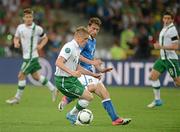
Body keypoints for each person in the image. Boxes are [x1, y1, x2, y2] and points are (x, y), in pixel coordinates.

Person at [58, 17, 131, 126]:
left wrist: (100, 69)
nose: (95, 31)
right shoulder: (83, 40)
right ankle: (69, 100)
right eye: (93, 28)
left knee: (104, 93)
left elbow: (90, 57)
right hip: (81, 72)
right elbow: (78, 56)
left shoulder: (93, 40)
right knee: (90, 90)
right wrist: (92, 63)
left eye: (97, 29)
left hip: (89, 72)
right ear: (88, 27)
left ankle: (115, 119)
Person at [6, 8, 57, 104]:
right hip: (26, 56)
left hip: (32, 57)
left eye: (30, 17)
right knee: (36, 77)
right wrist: (16, 43)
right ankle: (53, 88)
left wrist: (41, 45)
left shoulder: (37, 29)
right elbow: (16, 37)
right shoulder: (20, 27)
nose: (29, 19)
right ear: (23, 18)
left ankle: (17, 98)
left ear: (33, 18)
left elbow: (45, 38)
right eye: (27, 17)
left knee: (21, 75)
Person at [54, 26, 101, 125]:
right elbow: (58, 62)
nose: (86, 42)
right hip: (64, 81)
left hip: (71, 79)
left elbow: (78, 67)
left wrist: (93, 74)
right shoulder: (69, 47)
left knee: (88, 97)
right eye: (85, 39)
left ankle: (71, 114)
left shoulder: (77, 49)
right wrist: (72, 73)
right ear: (79, 38)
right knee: (88, 97)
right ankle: (72, 114)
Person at [147, 10, 180, 108]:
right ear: (162, 19)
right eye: (165, 18)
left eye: (168, 18)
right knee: (152, 77)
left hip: (170, 59)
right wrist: (156, 43)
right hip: (162, 58)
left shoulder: (172, 30)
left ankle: (157, 100)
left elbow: (175, 47)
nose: (166, 20)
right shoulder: (165, 28)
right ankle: (157, 100)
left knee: (178, 83)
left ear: (172, 20)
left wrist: (160, 46)